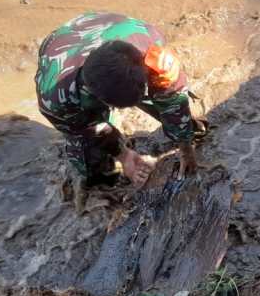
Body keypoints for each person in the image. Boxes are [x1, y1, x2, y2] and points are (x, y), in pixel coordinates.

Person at [35, 11, 203, 190]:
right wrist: (124, 156)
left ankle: (187, 131)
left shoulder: (151, 48)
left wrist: (185, 147)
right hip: (63, 44)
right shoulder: (55, 99)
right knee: (88, 156)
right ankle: (99, 179)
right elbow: (88, 129)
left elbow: (173, 98)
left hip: (102, 25)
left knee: (176, 110)